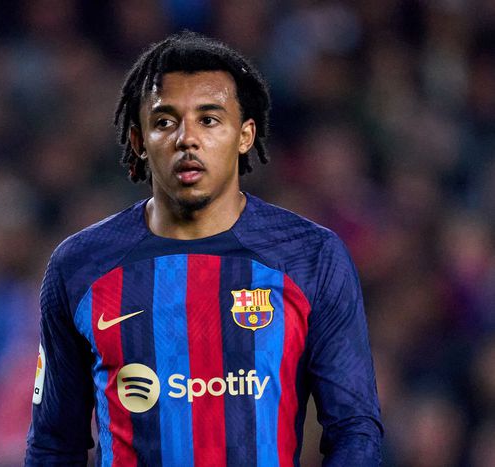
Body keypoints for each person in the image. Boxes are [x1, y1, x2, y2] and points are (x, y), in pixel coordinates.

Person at [25, 31, 383, 466]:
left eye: (209, 120)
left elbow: (355, 430)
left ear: (245, 135)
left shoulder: (311, 257)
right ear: (139, 141)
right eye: (164, 122)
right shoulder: (80, 266)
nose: (186, 139)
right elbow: (53, 444)